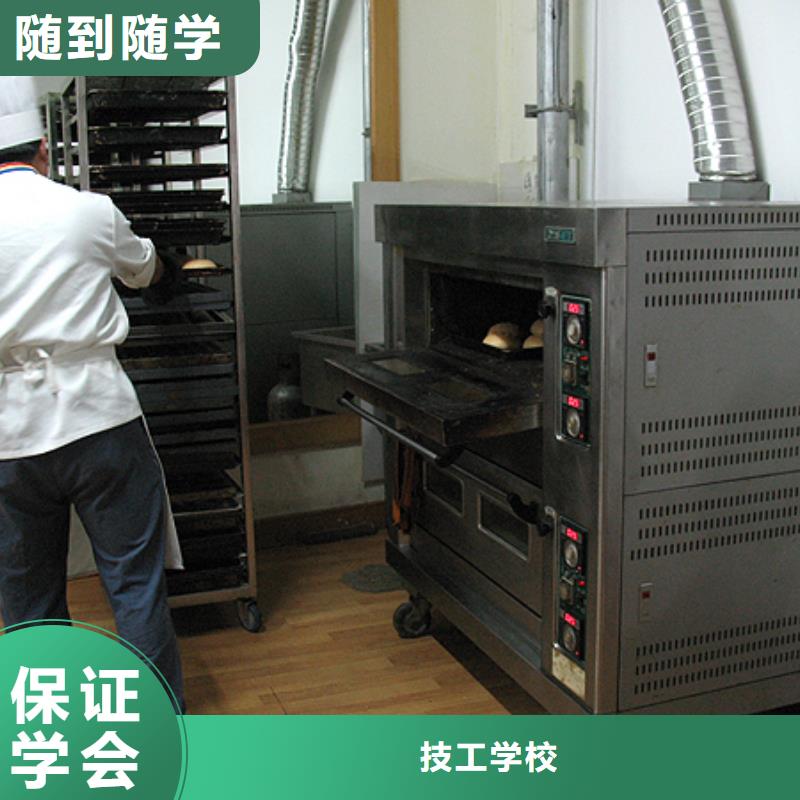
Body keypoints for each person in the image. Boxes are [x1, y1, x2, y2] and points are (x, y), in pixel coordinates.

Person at [0, 77, 185, 711]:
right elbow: (145, 269)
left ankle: (50, 731)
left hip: (8, 438)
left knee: (29, 605)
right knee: (134, 588)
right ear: (43, 149)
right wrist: (168, 270)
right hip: (100, 421)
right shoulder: (89, 211)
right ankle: (160, 725)